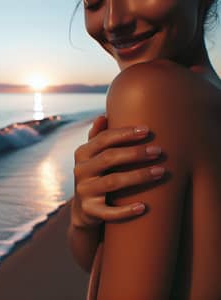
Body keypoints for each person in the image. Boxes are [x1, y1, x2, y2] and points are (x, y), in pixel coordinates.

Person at [68, 0, 221, 299]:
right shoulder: (209, 100)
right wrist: (83, 219)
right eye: (93, 1)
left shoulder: (148, 91)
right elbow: (101, 264)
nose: (113, 21)